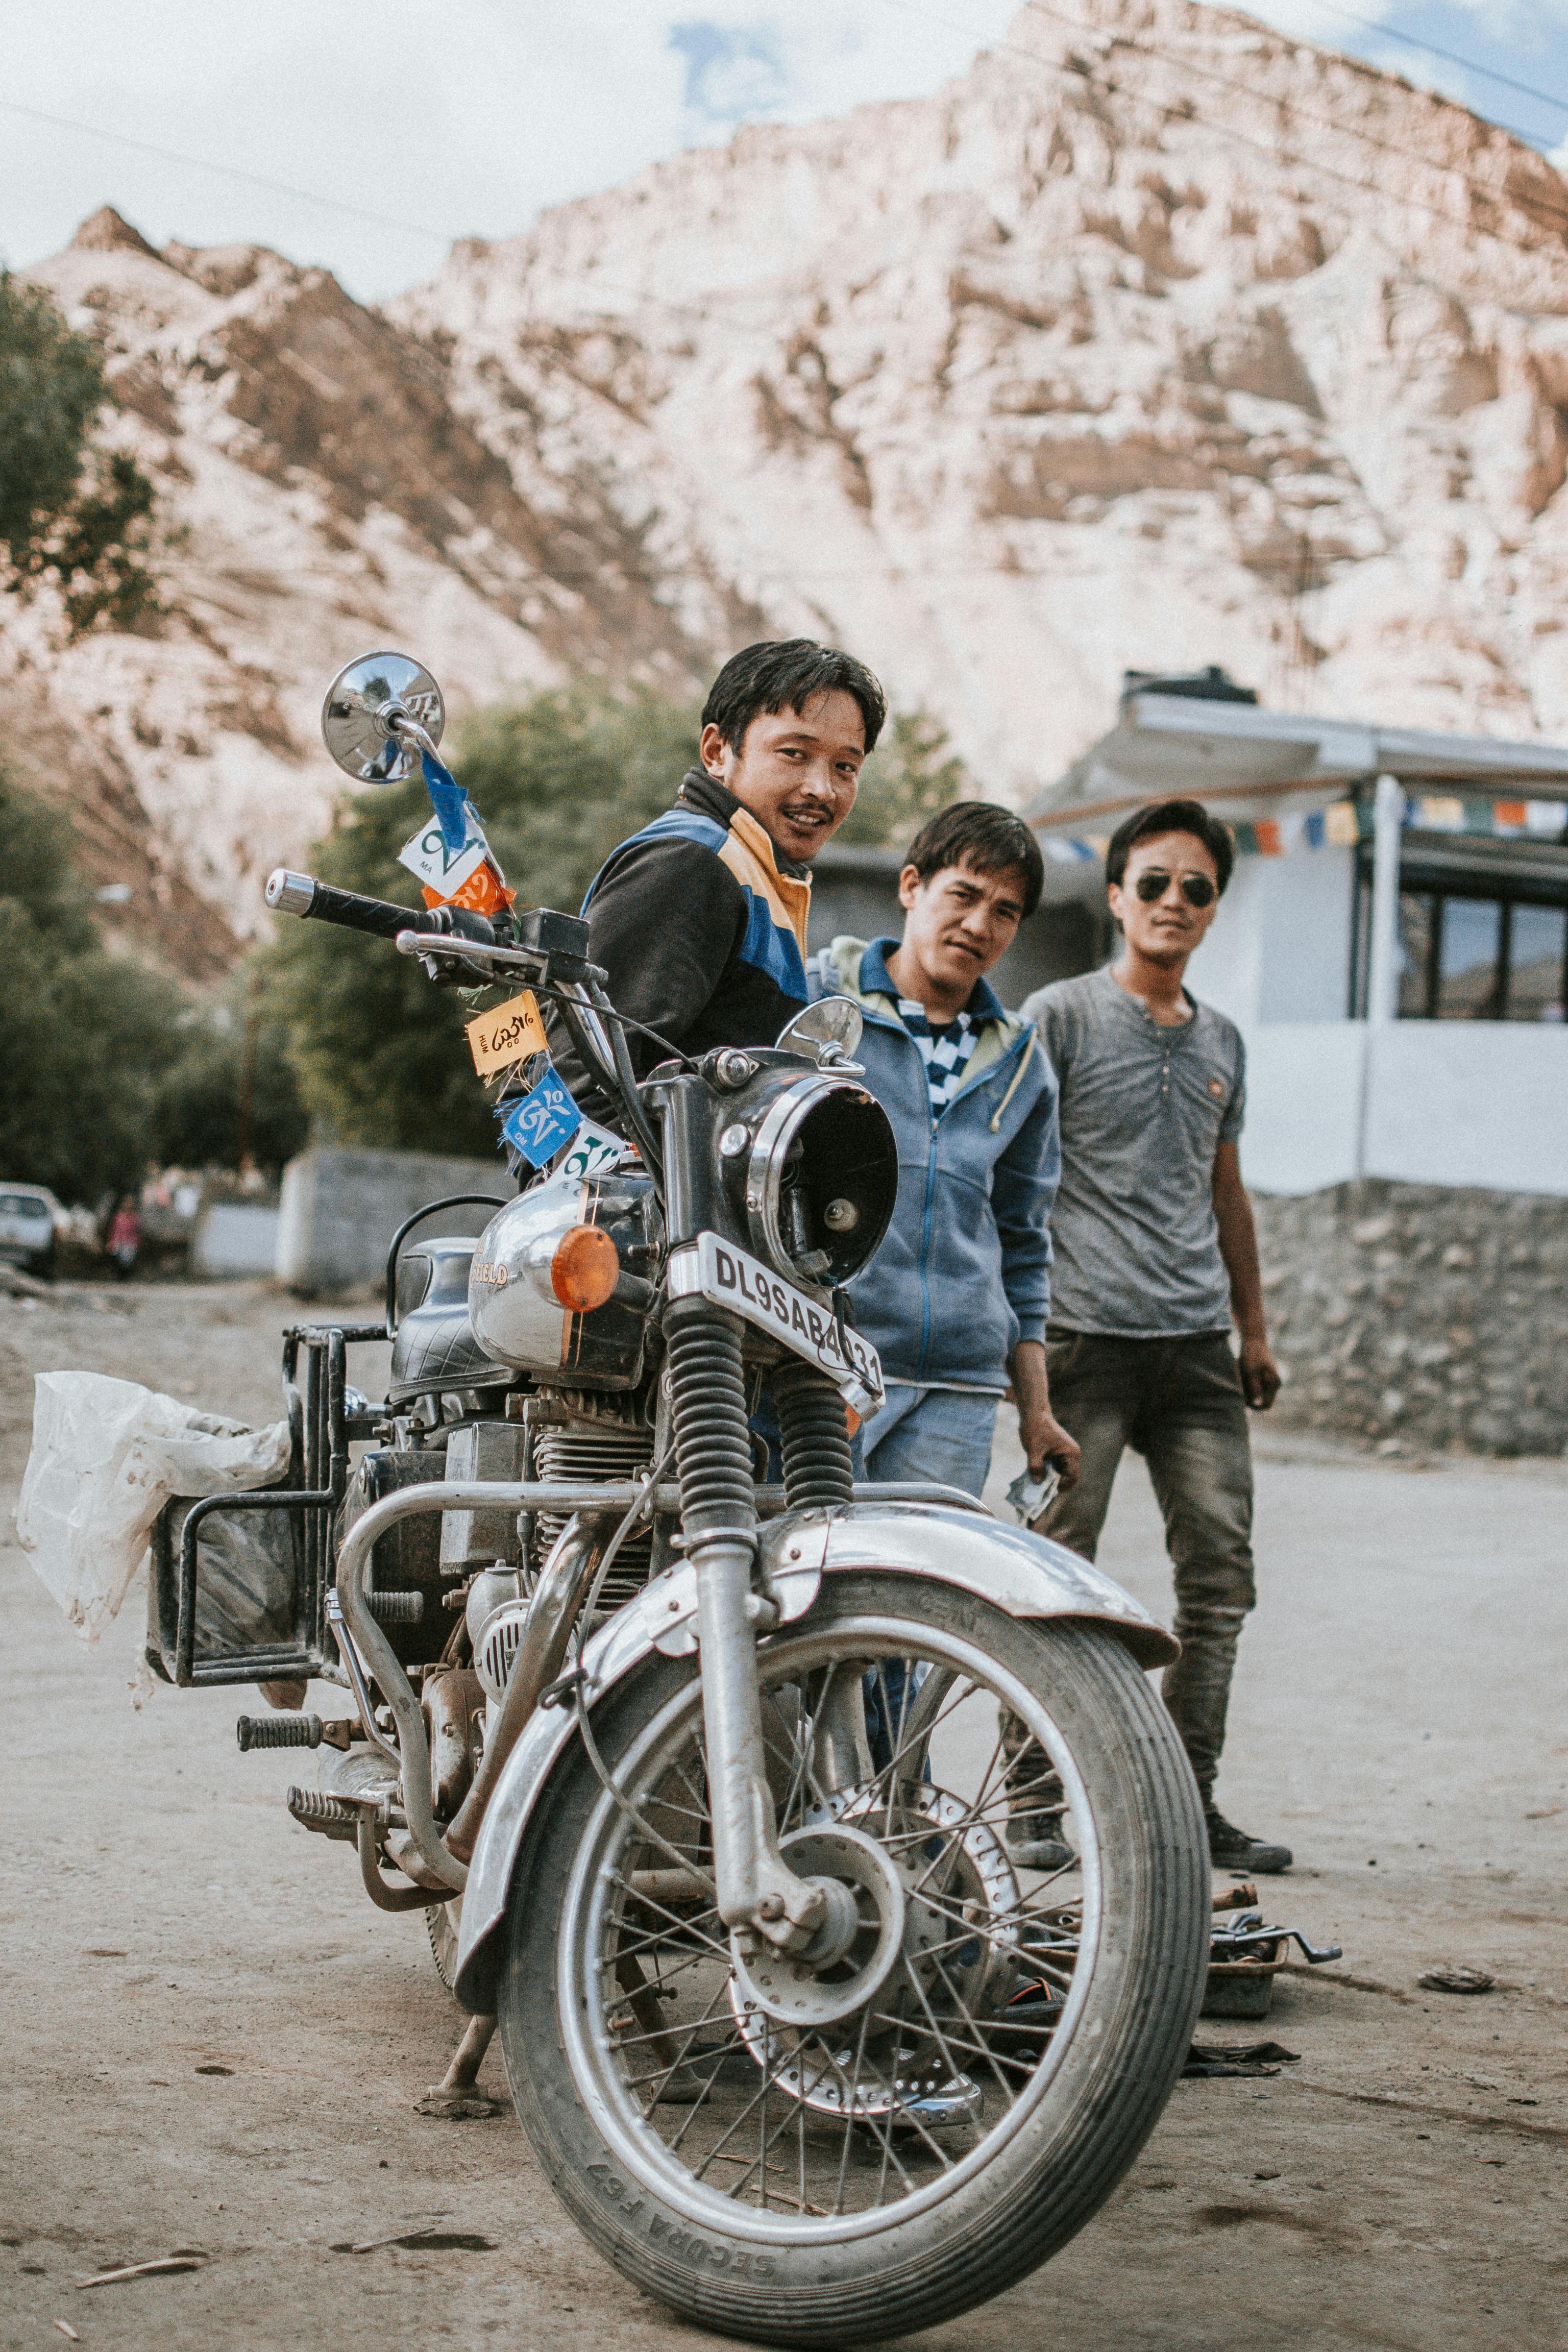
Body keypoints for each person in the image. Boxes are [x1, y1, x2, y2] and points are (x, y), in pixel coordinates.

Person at [808, 803, 1082, 1864]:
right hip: (829, 1361)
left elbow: (1023, 1243)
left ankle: (889, 1844)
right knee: (805, 1598)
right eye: (963, 895)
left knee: (909, 1624)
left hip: (959, 1388)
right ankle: (784, 1831)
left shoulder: (1021, 1068)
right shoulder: (824, 1005)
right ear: (912, 886)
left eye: (1006, 913)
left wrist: (1039, 1409)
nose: (980, 925)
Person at [1023, 798, 1290, 1876]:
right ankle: (1036, 1802)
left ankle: (1191, 1800)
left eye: (1197, 889)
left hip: (1194, 1354)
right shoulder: (1061, 1017)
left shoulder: (1222, 1039)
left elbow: (1227, 1194)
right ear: (1120, 893)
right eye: (1154, 883)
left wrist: (1253, 1330)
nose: (1173, 902)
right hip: (1084, 1339)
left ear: (1214, 909)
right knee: (1054, 1574)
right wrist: (1022, 1346)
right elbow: (1017, 1180)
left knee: (1220, 1577)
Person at [547, 638, 886, 1121]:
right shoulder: (692, 862)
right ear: (717, 751)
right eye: (794, 753)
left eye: (845, 767)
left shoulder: (759, 875)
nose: (821, 788)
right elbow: (583, 1082)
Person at [106, 1194, 141, 1282]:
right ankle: (119, 1275)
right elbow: (115, 1231)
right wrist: (113, 1242)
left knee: (128, 1260)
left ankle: (126, 1276)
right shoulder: (119, 1217)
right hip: (119, 1242)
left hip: (131, 1243)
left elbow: (138, 1231)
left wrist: (137, 1243)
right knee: (116, 1256)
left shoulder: (135, 1218)